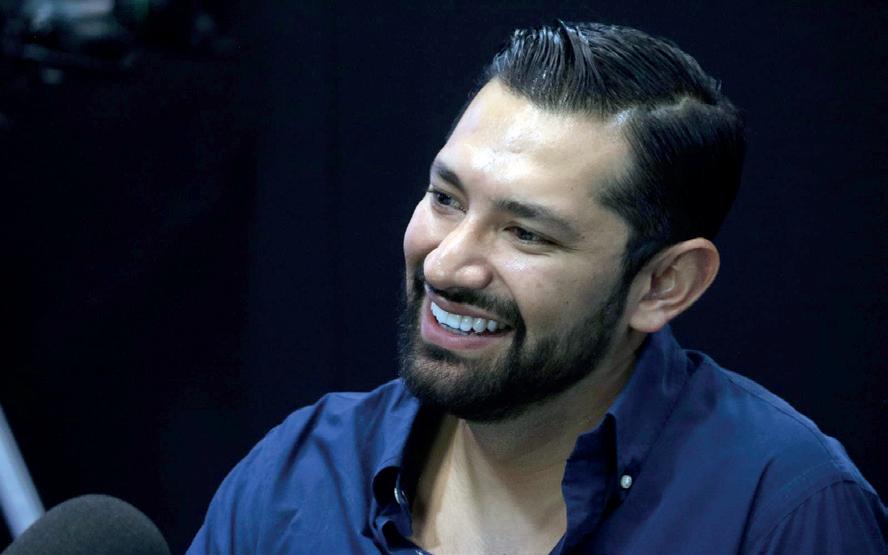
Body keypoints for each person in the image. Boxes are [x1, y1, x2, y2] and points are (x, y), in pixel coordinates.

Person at [187, 21, 886, 554]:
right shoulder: (297, 479)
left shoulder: (783, 513)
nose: (444, 266)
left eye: (525, 233)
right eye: (445, 198)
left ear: (663, 285)